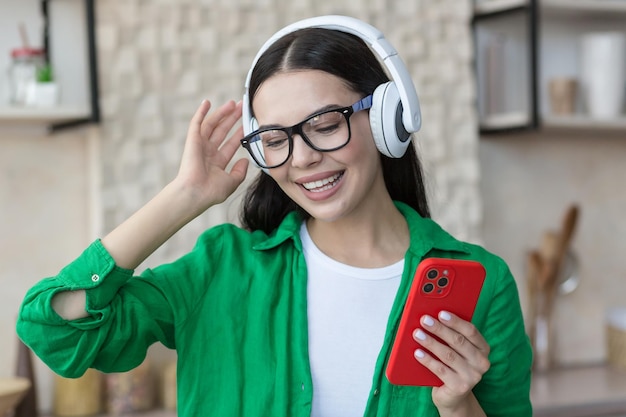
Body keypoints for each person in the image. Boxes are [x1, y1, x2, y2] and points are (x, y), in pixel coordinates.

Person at [17, 15, 532, 417]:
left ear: (387, 117)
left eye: (325, 124)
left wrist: (458, 405)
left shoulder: (482, 284)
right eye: (276, 139)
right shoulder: (221, 269)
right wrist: (184, 195)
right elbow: (54, 331)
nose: (302, 158)